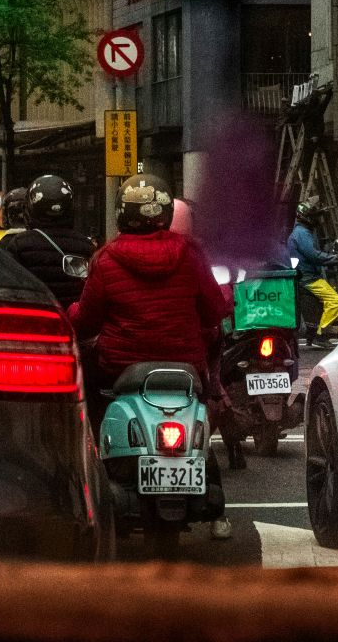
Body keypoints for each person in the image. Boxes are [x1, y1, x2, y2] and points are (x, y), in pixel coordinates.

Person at [70, 174, 233, 541]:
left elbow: (87, 320)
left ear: (122, 214)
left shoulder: (106, 258)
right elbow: (213, 310)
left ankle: (94, 469)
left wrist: (70, 312)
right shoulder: (190, 253)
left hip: (120, 368)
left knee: (88, 397)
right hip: (186, 369)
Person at [0, 175, 98, 307]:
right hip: (73, 318)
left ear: (31, 209)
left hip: (37, 316)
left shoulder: (19, 245)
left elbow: (8, 291)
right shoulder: (86, 247)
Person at [288, 201, 338, 348]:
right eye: (315, 217)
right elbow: (314, 256)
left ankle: (312, 334)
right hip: (308, 278)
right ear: (307, 218)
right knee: (335, 302)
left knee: (319, 306)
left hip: (306, 276)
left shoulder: (304, 232)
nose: (318, 220)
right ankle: (321, 335)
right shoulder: (302, 233)